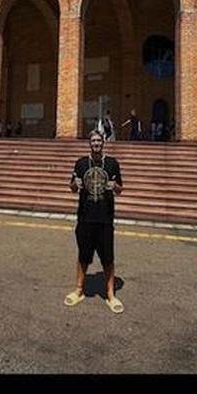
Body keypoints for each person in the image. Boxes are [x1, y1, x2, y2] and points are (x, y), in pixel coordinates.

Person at [65, 129, 124, 314]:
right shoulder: (81, 163)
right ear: (89, 143)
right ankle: (79, 290)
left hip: (105, 219)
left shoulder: (112, 163)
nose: (96, 143)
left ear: (103, 142)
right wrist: (75, 184)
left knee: (108, 258)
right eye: (93, 141)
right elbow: (72, 187)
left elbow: (120, 189)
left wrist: (115, 187)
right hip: (85, 217)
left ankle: (110, 294)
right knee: (83, 255)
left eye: (99, 140)